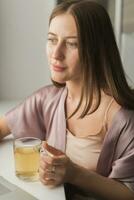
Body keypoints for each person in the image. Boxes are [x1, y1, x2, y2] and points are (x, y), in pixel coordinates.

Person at [0, 0, 134, 199]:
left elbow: (128, 192)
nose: (56, 54)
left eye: (72, 43)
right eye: (52, 39)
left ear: (98, 50)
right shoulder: (48, 99)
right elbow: (3, 127)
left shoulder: (123, 118)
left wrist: (74, 174)